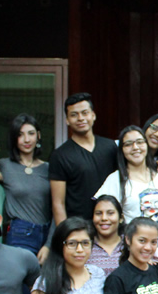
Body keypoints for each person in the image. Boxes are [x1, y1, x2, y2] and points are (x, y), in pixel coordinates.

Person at [95, 125, 158, 238]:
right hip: (130, 241)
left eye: (140, 142)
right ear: (122, 150)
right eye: (128, 144)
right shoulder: (114, 180)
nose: (135, 147)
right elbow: (104, 215)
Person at [49, 92, 119, 222]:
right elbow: (58, 204)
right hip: (79, 228)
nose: (80, 118)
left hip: (111, 224)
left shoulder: (111, 147)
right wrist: (65, 236)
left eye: (85, 113)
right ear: (67, 120)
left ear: (93, 115)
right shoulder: (60, 155)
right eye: (74, 115)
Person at [0, 113, 52, 262]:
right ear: (14, 139)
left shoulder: (49, 168)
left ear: (38, 136)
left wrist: (49, 244)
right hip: (20, 232)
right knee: (21, 281)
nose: (27, 139)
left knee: (45, 283)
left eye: (31, 133)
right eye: (20, 135)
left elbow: (56, 209)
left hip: (48, 232)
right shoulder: (3, 166)